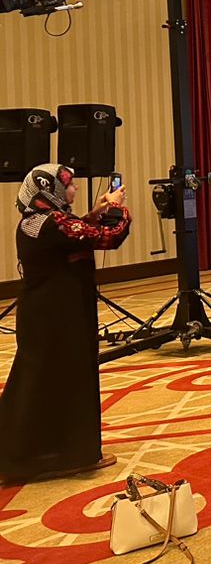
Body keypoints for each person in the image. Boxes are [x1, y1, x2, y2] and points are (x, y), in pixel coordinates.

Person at [0, 166, 129, 484]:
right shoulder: (54, 223)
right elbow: (108, 237)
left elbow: (72, 234)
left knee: (39, 383)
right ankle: (65, 455)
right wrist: (117, 210)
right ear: (49, 190)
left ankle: (27, 456)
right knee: (66, 381)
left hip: (44, 313)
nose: (74, 190)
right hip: (59, 315)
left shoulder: (37, 219)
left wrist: (94, 214)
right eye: (68, 186)